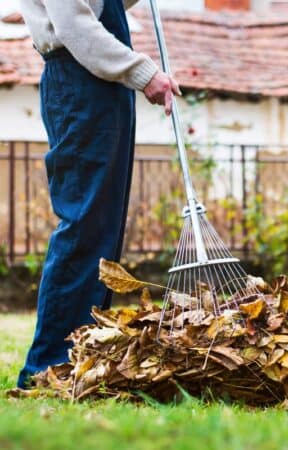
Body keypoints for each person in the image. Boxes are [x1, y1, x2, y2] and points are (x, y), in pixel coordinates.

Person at [17, 0, 180, 388]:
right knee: (84, 226)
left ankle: (83, 356)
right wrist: (144, 73)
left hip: (101, 86)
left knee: (103, 230)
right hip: (79, 81)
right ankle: (47, 365)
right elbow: (75, 26)